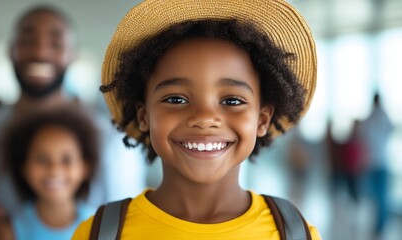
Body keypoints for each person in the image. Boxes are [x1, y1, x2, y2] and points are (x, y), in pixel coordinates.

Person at [72, 0, 321, 239]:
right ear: (144, 116)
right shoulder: (99, 232)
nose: (204, 118)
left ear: (262, 119)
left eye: (232, 101)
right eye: (176, 99)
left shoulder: (294, 233)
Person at [0, 5, 145, 240]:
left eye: (56, 43)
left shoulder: (114, 141)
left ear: (72, 54)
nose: (41, 52)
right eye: (27, 40)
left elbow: (130, 226)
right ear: (11, 50)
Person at [0, 106, 98, 240]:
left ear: (85, 167)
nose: (54, 170)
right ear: (23, 167)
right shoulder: (8, 231)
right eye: (41, 159)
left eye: (66, 160)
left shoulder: (99, 225)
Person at [358, 93, 393, 237]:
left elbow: (362, 139)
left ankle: (379, 224)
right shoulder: (384, 117)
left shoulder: (369, 119)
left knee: (376, 196)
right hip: (382, 162)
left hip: (372, 163)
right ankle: (380, 224)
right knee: (381, 196)